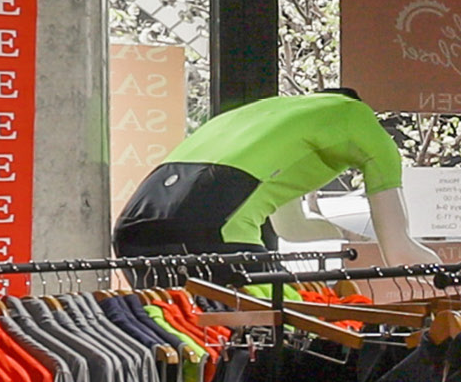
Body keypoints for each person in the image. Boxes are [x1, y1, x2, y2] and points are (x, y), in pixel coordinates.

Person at [113, 85, 431, 267]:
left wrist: (348, 236)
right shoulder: (358, 118)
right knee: (293, 329)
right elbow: (399, 252)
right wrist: (448, 277)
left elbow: (291, 228)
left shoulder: (270, 113)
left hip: (134, 224)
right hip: (216, 222)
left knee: (175, 331)